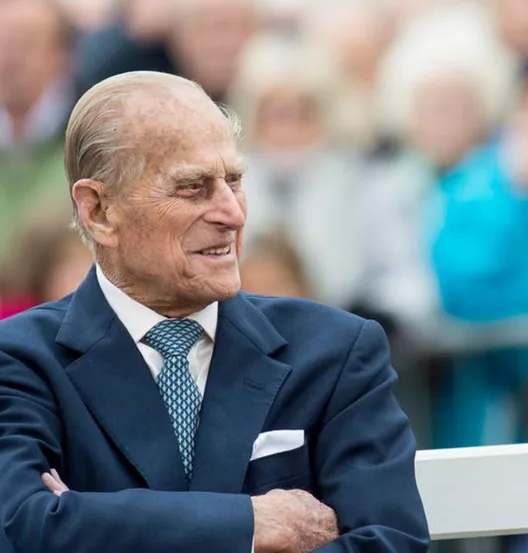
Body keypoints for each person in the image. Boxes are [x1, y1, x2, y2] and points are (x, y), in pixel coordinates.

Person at [0, 71, 429, 553]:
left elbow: (390, 542)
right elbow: (21, 528)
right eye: (192, 187)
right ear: (98, 210)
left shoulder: (338, 352)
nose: (234, 213)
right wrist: (249, 523)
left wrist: (87, 519)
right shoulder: (19, 360)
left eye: (234, 180)